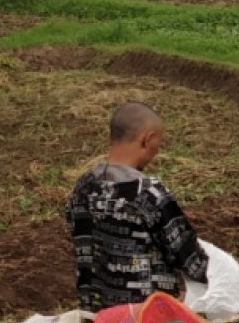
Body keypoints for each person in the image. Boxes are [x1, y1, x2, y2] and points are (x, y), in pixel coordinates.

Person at [66, 103, 208, 312]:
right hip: (145, 321)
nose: (157, 151)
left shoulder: (82, 187)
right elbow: (191, 261)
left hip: (95, 317)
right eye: (158, 143)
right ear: (147, 139)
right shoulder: (149, 194)